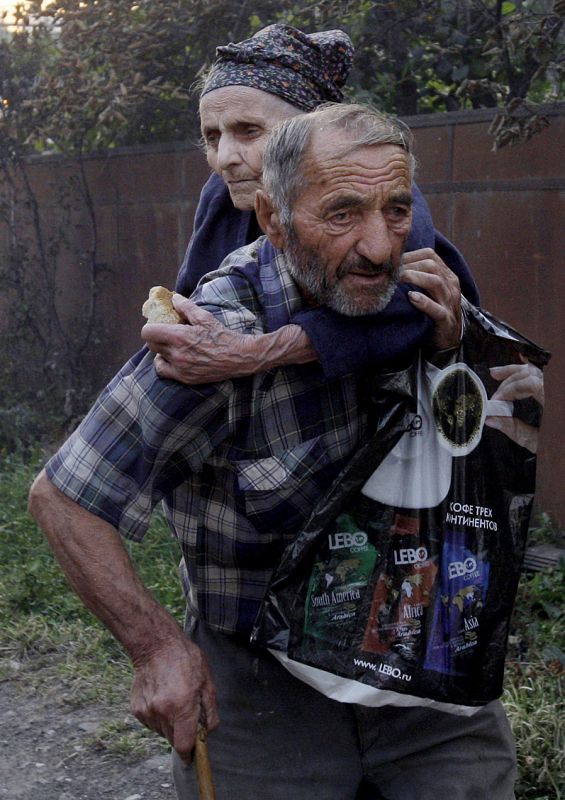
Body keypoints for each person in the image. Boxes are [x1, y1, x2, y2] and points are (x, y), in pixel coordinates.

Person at [29, 104, 517, 800]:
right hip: (264, 686)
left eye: (396, 209)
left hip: (426, 659)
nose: (379, 246)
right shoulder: (212, 339)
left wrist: (458, 353)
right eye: (342, 214)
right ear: (273, 221)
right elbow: (64, 498)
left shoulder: (424, 289)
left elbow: (479, 457)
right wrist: (158, 649)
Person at [142, 23, 480, 387]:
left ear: (313, 131)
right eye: (212, 137)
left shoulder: (373, 184)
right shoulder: (222, 195)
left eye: (250, 131)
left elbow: (405, 305)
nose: (224, 157)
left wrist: (252, 352)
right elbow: (192, 300)